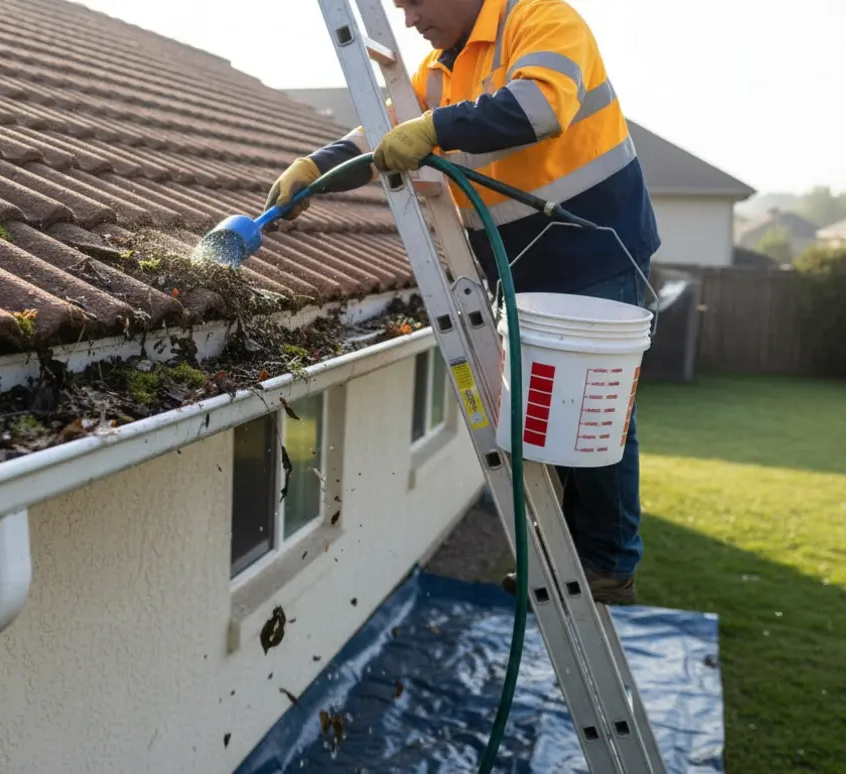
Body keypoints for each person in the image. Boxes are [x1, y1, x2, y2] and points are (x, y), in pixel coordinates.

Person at [266, 0, 659, 605]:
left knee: (593, 411)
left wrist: (436, 129)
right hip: (521, 266)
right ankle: (566, 556)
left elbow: (541, 105)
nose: (408, 19)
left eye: (415, 3)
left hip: (594, 251)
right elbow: (386, 135)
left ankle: (606, 565)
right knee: (544, 413)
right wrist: (314, 170)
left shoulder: (541, 18)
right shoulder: (438, 71)